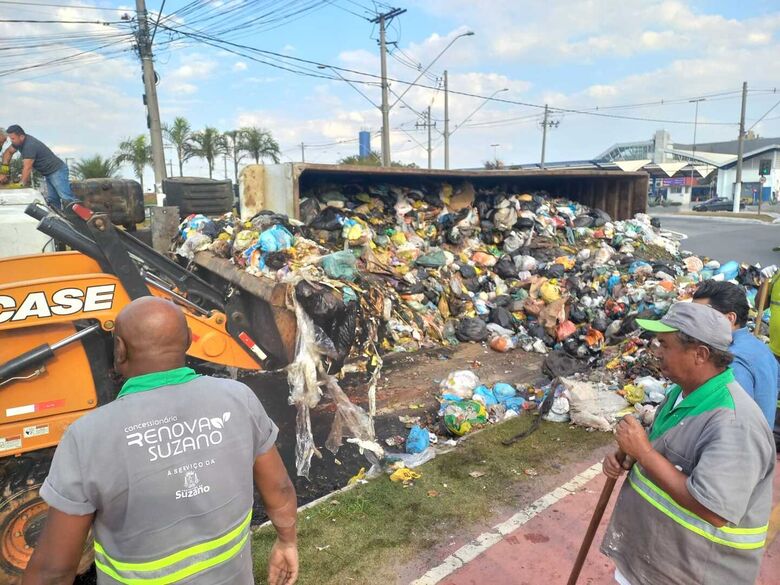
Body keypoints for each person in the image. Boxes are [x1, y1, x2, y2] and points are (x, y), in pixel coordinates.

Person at [23, 297, 299, 585]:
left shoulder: (87, 436)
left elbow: (51, 573)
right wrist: (287, 542)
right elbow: (279, 487)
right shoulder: (239, 399)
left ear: (119, 349)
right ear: (188, 342)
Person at [600, 302, 775, 585]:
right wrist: (630, 458)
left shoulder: (735, 422)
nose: (657, 352)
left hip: (694, 573)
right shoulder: (680, 394)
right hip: (651, 560)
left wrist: (643, 452)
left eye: (665, 345)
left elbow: (712, 510)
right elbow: (666, 454)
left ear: (700, 354)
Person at [692, 279, 778, 425]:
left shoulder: (731, 360)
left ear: (730, 318)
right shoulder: (760, 348)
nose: (693, 323)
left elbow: (733, 422)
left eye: (701, 316)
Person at [0, 124, 77, 209]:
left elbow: (27, 167)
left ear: (21, 136)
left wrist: (21, 184)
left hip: (57, 171)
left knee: (66, 198)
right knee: (53, 200)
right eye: (10, 139)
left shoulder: (30, 145)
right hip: (49, 173)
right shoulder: (18, 143)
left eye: (13, 138)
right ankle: (56, 220)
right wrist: (4, 171)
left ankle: (83, 218)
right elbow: (8, 153)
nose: (11, 141)